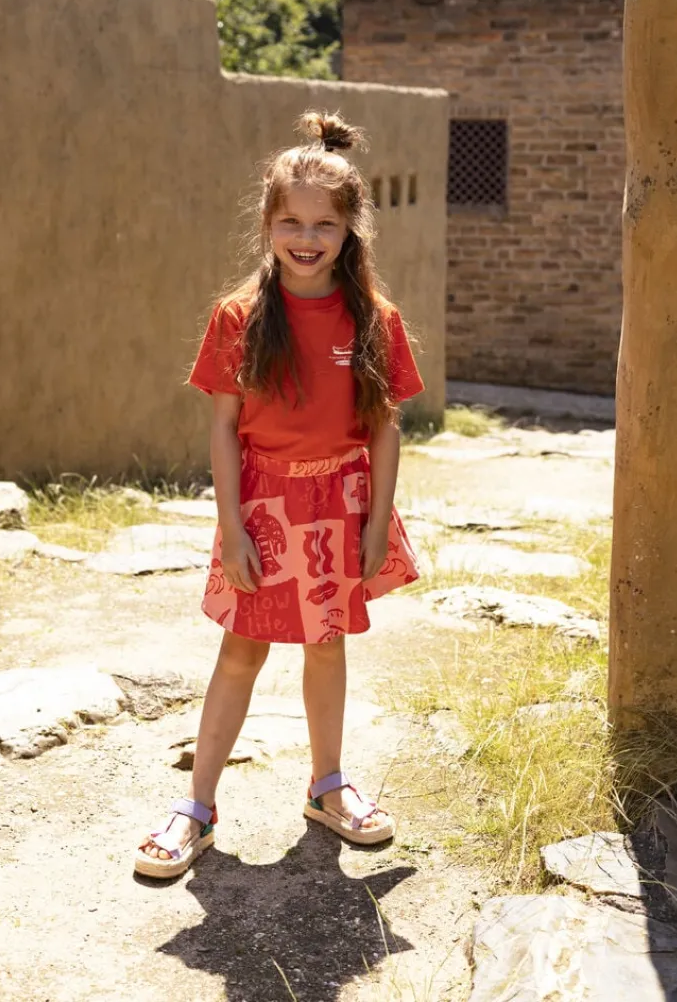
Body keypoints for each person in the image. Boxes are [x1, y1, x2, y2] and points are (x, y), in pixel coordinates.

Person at [135, 111, 424, 879]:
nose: (307, 237)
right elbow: (224, 429)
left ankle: (328, 787)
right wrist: (231, 528)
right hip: (261, 509)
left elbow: (385, 429)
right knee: (241, 651)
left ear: (350, 228)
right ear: (267, 222)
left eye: (324, 223)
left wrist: (375, 526)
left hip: (340, 506)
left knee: (326, 647)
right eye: (291, 221)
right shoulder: (239, 317)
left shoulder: (375, 320)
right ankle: (196, 807)